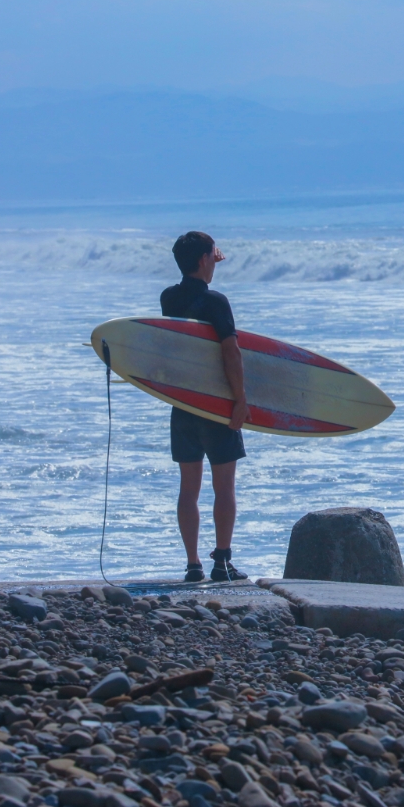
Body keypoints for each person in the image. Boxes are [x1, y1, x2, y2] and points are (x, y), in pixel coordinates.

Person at [161, 231, 251, 582]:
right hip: (216, 405)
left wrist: (207, 254)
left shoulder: (168, 298)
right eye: (213, 256)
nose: (217, 260)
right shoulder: (217, 302)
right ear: (203, 260)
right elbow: (231, 352)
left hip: (183, 403)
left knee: (188, 488)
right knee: (224, 487)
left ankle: (193, 564)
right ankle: (223, 562)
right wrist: (241, 400)